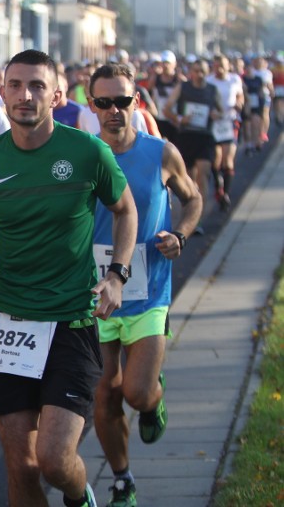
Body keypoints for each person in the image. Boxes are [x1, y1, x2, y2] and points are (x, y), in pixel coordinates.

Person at [0, 49, 137, 507]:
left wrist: (116, 275)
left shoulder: (87, 151)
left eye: (37, 86)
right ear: (2, 92)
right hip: (9, 322)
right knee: (22, 466)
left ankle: (80, 496)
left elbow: (126, 210)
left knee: (54, 459)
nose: (25, 95)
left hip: (71, 321)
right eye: (15, 85)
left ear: (56, 95)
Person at [88, 63, 202, 507]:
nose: (114, 110)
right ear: (93, 106)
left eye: (123, 101)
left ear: (136, 102)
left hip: (149, 291)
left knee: (134, 392)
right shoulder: (84, 157)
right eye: (104, 102)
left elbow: (192, 198)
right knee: (105, 393)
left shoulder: (161, 153)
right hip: (96, 294)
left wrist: (181, 236)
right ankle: (122, 479)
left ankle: (154, 399)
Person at [163, 59, 223, 232]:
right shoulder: (183, 87)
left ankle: (198, 221)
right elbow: (167, 109)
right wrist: (181, 119)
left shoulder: (212, 90)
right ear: (191, 72)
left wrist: (216, 114)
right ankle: (190, 213)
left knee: (202, 176)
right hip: (186, 136)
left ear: (207, 71)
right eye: (196, 71)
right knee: (188, 179)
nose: (199, 74)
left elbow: (221, 111)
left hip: (205, 137)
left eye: (203, 71)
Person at [206, 55, 244, 212]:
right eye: (216, 66)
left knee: (228, 162)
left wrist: (239, 103)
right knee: (216, 161)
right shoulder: (209, 81)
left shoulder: (234, 79)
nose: (219, 69)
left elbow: (240, 95)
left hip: (230, 122)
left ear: (228, 66)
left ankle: (225, 194)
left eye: (222, 65)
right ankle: (218, 186)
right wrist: (210, 113)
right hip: (214, 123)